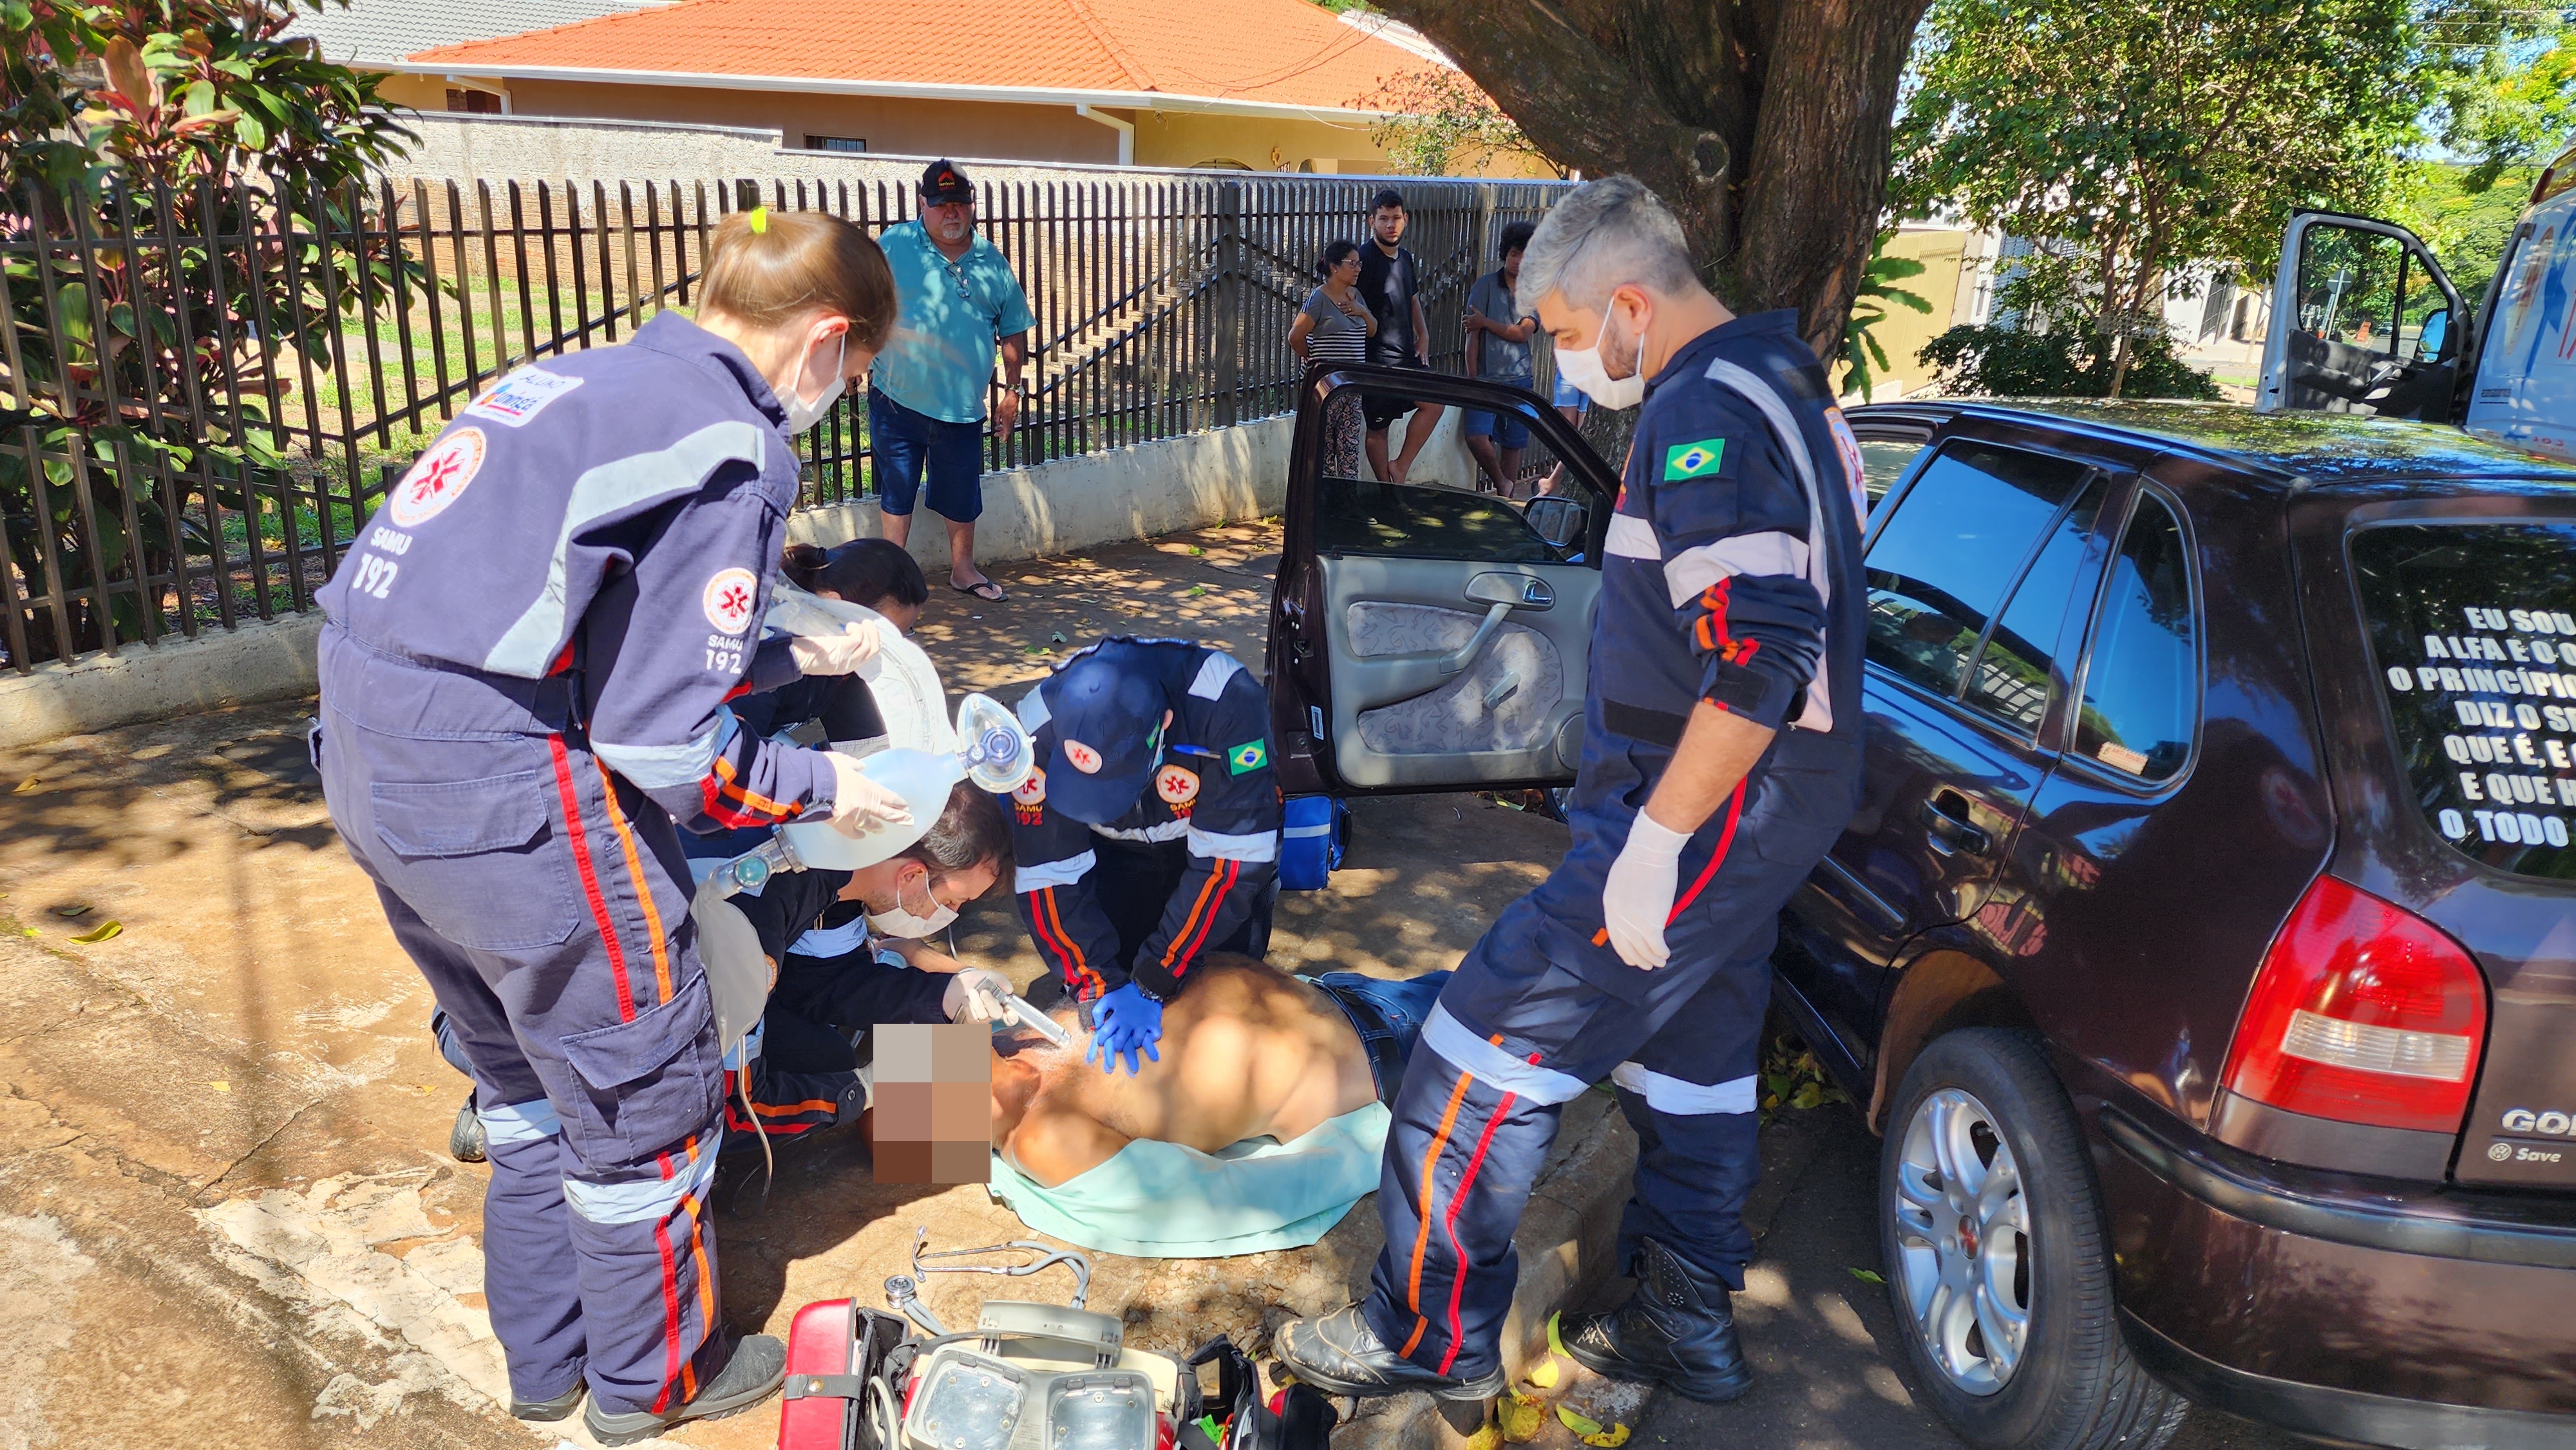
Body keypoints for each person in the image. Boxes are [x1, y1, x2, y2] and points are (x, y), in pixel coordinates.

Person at [311, 207, 914, 1445]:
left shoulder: (583, 379)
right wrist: (818, 789)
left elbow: (581, 578)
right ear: (828, 340)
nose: (836, 397)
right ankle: (651, 1383)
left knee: (526, 1082)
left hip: (375, 755)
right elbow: (659, 745)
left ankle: (547, 1365)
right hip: (505, 787)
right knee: (646, 1093)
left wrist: (774, 616)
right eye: (850, 377)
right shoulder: (735, 442)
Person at [1270, 176, 1869, 1409]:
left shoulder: (1706, 407)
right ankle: (1686, 1313)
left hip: (1702, 804)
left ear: (1631, 307)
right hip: (1759, 804)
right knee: (1694, 1053)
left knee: (1477, 1048)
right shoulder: (1789, 384)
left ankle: (1428, 1335)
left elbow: (1760, 653)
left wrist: (1653, 839)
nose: (1558, 353)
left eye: (1557, 328)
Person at [1003, 637, 1280, 1077]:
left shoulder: (1226, 703)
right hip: (1113, 857)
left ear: (1165, 725)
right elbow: (1049, 871)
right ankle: (910, 1127)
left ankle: (910, 1123)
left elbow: (1231, 868)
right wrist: (1093, 981)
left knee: (1216, 1014)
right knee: (1107, 1018)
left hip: (1204, 852)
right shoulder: (1036, 729)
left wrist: (1157, 975)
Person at [721, 782, 1016, 1144]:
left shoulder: (841, 869)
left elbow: (823, 983)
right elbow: (734, 1110)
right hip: (667, 1079)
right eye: (952, 901)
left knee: (827, 1061)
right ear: (911, 876)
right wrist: (863, 1090)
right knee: (829, 1077)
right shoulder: (753, 921)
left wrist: (944, 994)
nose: (951, 915)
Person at [991, 955, 1446, 1187]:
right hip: (1385, 1054)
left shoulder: (1009, 1039)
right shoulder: (1042, 1138)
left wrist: (951, 983)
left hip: (1348, 996)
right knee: (1508, 985)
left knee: (1497, 971)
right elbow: (1187, 1197)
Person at [867, 159, 1034, 603]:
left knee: (962, 495)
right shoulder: (894, 245)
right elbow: (862, 299)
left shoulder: (991, 261)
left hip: (961, 407)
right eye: (942, 205)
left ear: (972, 205)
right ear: (923, 203)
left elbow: (1013, 326)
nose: (952, 214)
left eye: (960, 203)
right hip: (896, 399)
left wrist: (1013, 391)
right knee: (896, 491)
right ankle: (891, 579)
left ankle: (963, 571)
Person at [1358, 190, 1444, 484]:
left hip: (1407, 356)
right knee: (1378, 429)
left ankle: (1400, 468)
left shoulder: (1406, 258)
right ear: (1372, 221)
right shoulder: (1363, 261)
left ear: (1405, 220)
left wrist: (1424, 335)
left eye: (1396, 218)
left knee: (1434, 404)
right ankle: (1388, 491)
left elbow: (1413, 300)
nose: (1390, 225)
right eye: (1383, 219)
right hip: (1376, 361)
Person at [1461, 221, 1539, 496]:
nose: (1518, 262)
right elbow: (1472, 335)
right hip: (1486, 379)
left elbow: (1522, 334)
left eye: (1525, 255)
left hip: (1519, 379)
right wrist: (1472, 377)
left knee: (1514, 443)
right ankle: (1501, 483)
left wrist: (1485, 322)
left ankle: (1506, 498)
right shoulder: (1484, 286)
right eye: (1515, 253)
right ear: (1505, 253)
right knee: (1476, 437)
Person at [1289, 239, 1374, 479]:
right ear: (1335, 267)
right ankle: (1321, 507)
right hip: (1325, 388)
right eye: (1353, 263)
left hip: (1353, 387)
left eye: (1360, 264)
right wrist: (1314, 360)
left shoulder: (1355, 296)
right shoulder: (1319, 299)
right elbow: (1296, 336)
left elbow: (1372, 330)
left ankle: (1346, 507)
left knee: (1348, 450)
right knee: (1322, 450)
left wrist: (1363, 312)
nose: (1358, 268)